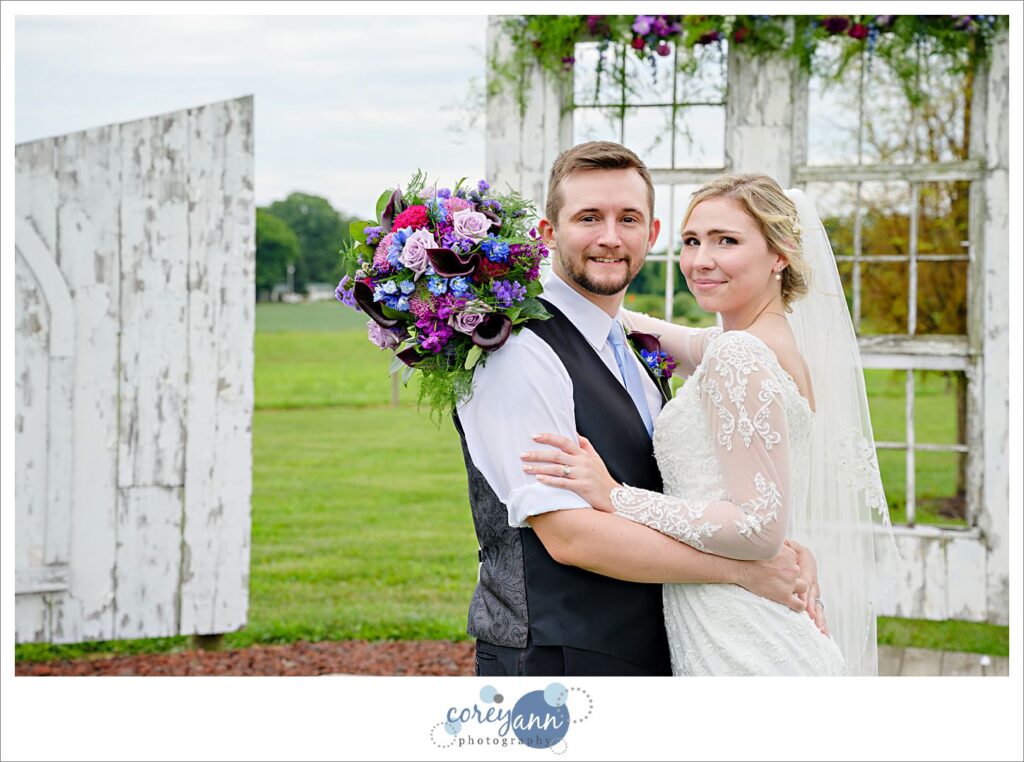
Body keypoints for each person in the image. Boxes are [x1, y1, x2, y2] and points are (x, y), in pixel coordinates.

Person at [454, 144, 825, 677]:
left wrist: (772, 550)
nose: (610, 237)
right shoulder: (519, 352)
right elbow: (569, 534)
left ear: (650, 235)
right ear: (547, 233)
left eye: (628, 219)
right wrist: (745, 570)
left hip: (679, 643)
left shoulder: (637, 343)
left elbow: (727, 492)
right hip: (563, 656)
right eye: (588, 218)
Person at [521, 173, 892, 675]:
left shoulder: (740, 354)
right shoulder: (759, 346)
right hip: (730, 619)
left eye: (727, 241)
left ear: (779, 254)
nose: (701, 261)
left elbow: (759, 527)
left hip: (743, 637)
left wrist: (614, 496)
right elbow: (636, 325)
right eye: (692, 241)